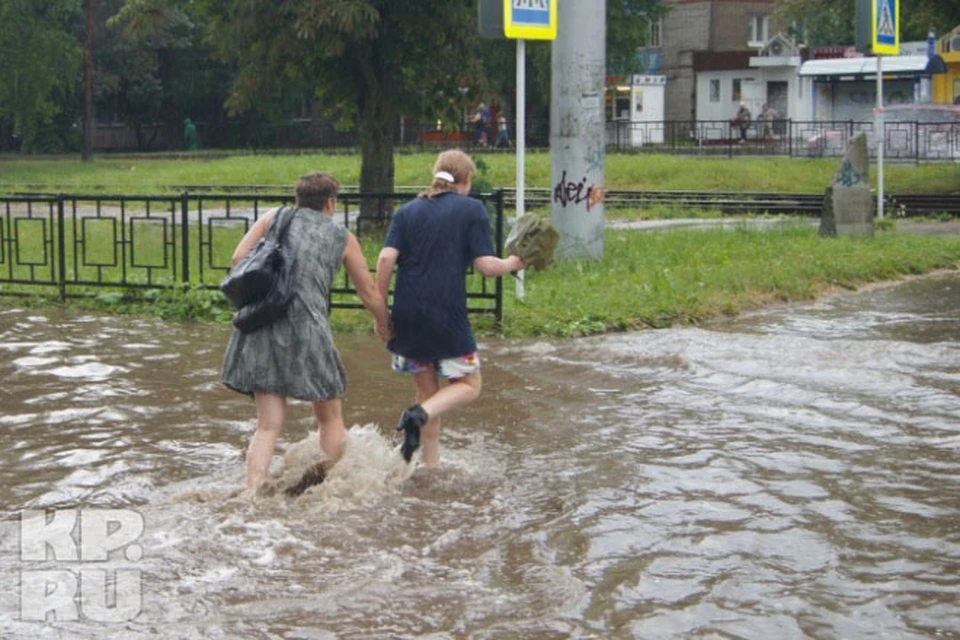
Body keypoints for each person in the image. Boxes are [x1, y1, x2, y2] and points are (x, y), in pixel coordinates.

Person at [221, 172, 392, 494]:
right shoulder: (342, 237)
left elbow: (238, 259)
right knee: (329, 415)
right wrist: (384, 322)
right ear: (330, 203)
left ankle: (253, 492)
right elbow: (368, 291)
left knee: (268, 424)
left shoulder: (274, 217)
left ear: (298, 198)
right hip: (308, 329)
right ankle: (326, 487)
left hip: (261, 322)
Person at [375, 150, 526, 466]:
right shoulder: (472, 209)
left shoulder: (407, 211)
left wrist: (381, 311)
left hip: (407, 313)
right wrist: (515, 262)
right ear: (465, 180)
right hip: (446, 314)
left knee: (430, 397)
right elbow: (486, 266)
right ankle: (418, 416)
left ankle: (426, 467)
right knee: (470, 385)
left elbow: (386, 259)